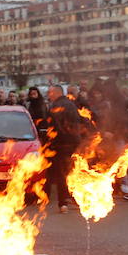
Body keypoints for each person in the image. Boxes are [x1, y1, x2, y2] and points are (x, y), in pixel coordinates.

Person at [45, 84, 83, 213]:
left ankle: (63, 203)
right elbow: (80, 120)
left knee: (62, 174)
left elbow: (53, 126)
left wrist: (51, 143)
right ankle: (77, 199)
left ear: (56, 93)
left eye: (50, 93)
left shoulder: (55, 106)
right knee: (73, 171)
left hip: (61, 144)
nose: (49, 95)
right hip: (74, 143)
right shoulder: (72, 104)